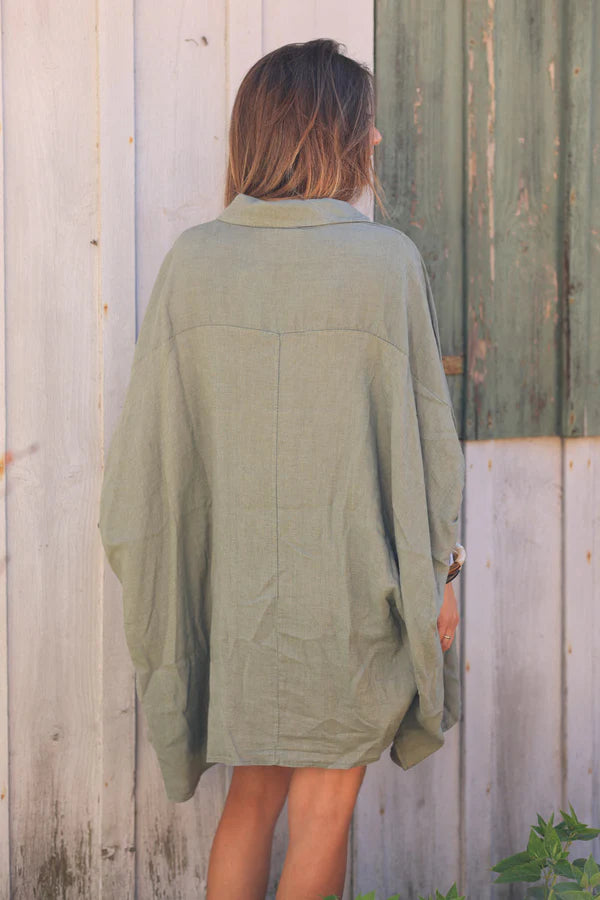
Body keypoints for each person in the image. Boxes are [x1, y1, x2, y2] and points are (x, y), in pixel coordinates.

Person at [98, 37, 465, 900]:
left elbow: (149, 463)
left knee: (251, 800)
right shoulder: (386, 263)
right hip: (352, 599)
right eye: (364, 124)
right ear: (326, 130)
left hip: (237, 606)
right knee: (326, 811)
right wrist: (441, 570)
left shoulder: (194, 263)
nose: (375, 142)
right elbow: (425, 446)